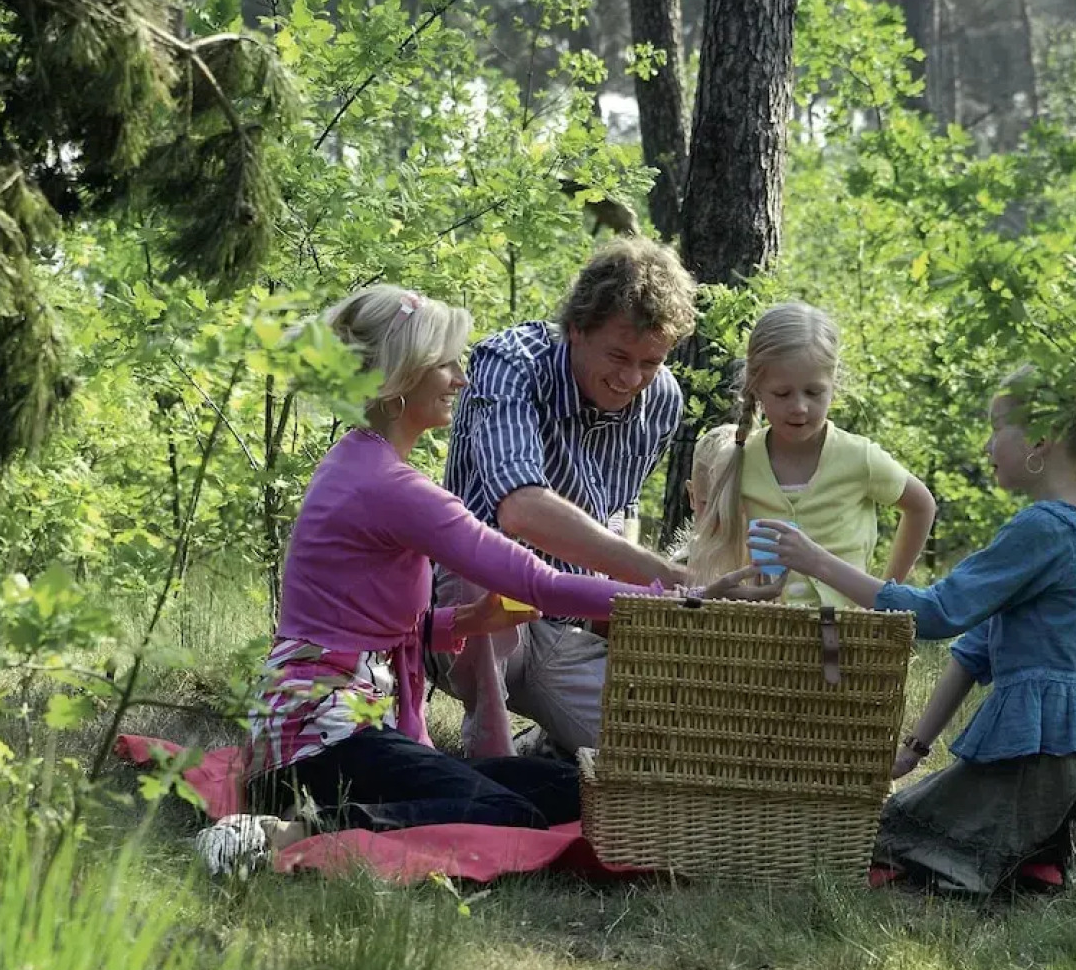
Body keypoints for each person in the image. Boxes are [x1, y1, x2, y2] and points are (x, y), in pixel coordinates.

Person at [245, 285, 778, 845]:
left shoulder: (365, 463)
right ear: (401, 380)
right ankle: (290, 832)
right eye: (445, 365)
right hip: (312, 741)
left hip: (346, 725)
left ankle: (324, 813)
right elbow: (538, 582)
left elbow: (358, 622)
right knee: (508, 814)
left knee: (568, 792)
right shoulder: (388, 486)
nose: (461, 379)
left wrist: (463, 624)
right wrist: (686, 596)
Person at [747, 367, 1076, 893]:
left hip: (1043, 767)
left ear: (1039, 440)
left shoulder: (1042, 527)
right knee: (901, 822)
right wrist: (915, 747)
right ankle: (1063, 842)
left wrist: (815, 560)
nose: (987, 445)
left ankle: (1039, 852)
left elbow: (936, 615)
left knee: (873, 835)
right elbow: (977, 649)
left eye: (996, 428)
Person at [436, 238, 700, 758]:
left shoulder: (661, 397)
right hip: (471, 615)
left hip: (565, 622)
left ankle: (550, 743)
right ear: (577, 328)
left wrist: (632, 620)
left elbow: (616, 518)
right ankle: (488, 755)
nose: (632, 379)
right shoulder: (510, 362)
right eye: (619, 356)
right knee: (474, 572)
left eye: (650, 361)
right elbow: (520, 509)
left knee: (663, 749)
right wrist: (665, 576)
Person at [687, 303, 937, 600]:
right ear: (756, 388)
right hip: (764, 635)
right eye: (782, 393)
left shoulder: (859, 457)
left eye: (814, 392)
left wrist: (886, 593)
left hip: (845, 634)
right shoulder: (741, 459)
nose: (799, 407)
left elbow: (921, 506)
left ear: (833, 386)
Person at [667, 424, 739, 565]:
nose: (717, 517)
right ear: (692, 497)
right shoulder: (681, 565)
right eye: (707, 504)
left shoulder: (770, 562)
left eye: (729, 504)